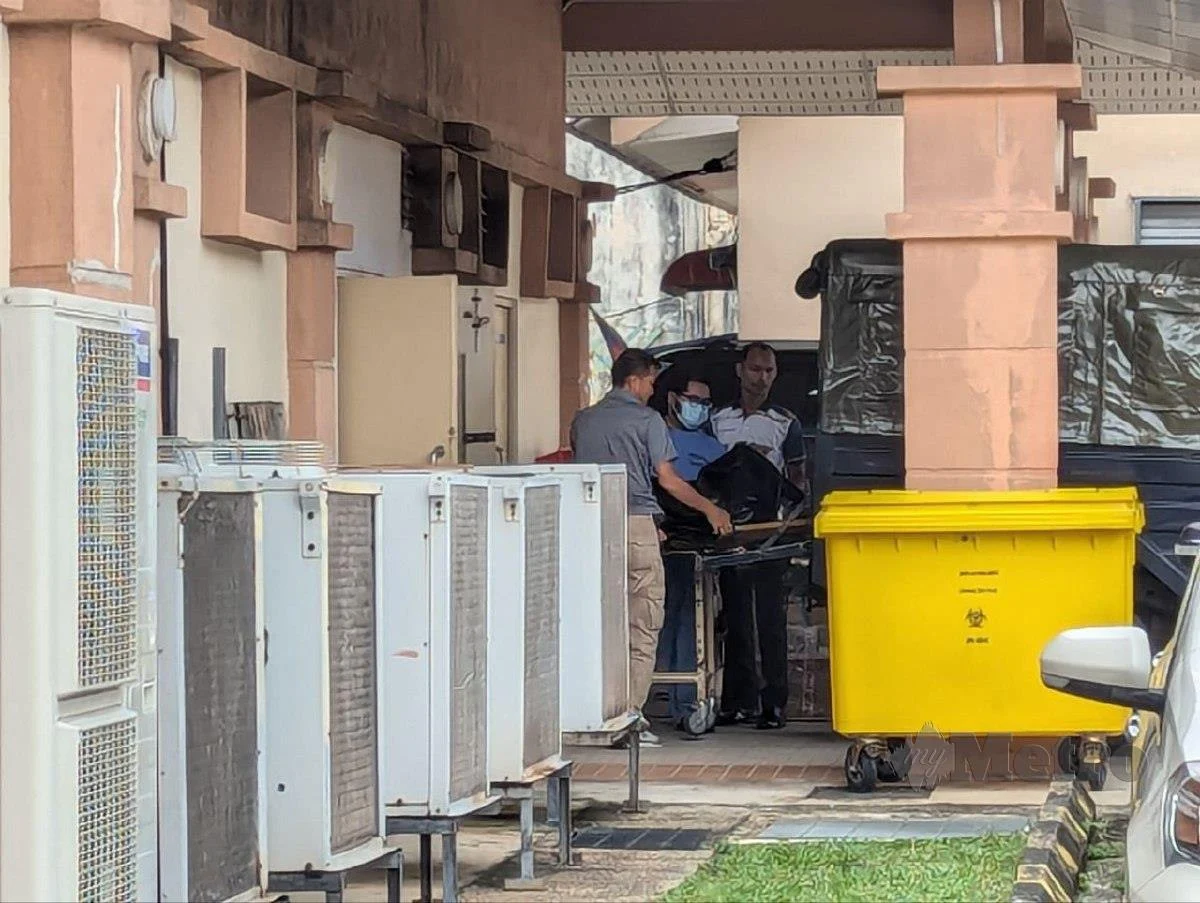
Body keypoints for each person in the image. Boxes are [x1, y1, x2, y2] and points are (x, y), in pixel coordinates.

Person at [571, 349, 733, 745]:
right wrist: (711, 509)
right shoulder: (648, 421)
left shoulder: (583, 420)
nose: (652, 390)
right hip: (635, 526)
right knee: (641, 624)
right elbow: (668, 479)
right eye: (651, 382)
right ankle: (628, 719)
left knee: (597, 625)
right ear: (635, 380)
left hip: (588, 529)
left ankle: (592, 713)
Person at [710, 342, 808, 730]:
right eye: (755, 369)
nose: (761, 378)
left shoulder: (785, 422)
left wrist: (789, 517)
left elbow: (798, 477)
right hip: (727, 530)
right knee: (734, 617)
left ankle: (774, 703)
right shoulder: (717, 419)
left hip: (770, 531)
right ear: (740, 370)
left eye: (769, 371)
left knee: (770, 619)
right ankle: (739, 701)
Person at [656, 373, 727, 732]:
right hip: (666, 533)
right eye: (693, 400)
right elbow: (664, 482)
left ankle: (684, 700)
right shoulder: (656, 436)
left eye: (705, 403)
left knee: (689, 616)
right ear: (673, 399)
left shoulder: (714, 447)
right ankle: (675, 696)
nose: (699, 408)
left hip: (701, 539)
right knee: (670, 614)